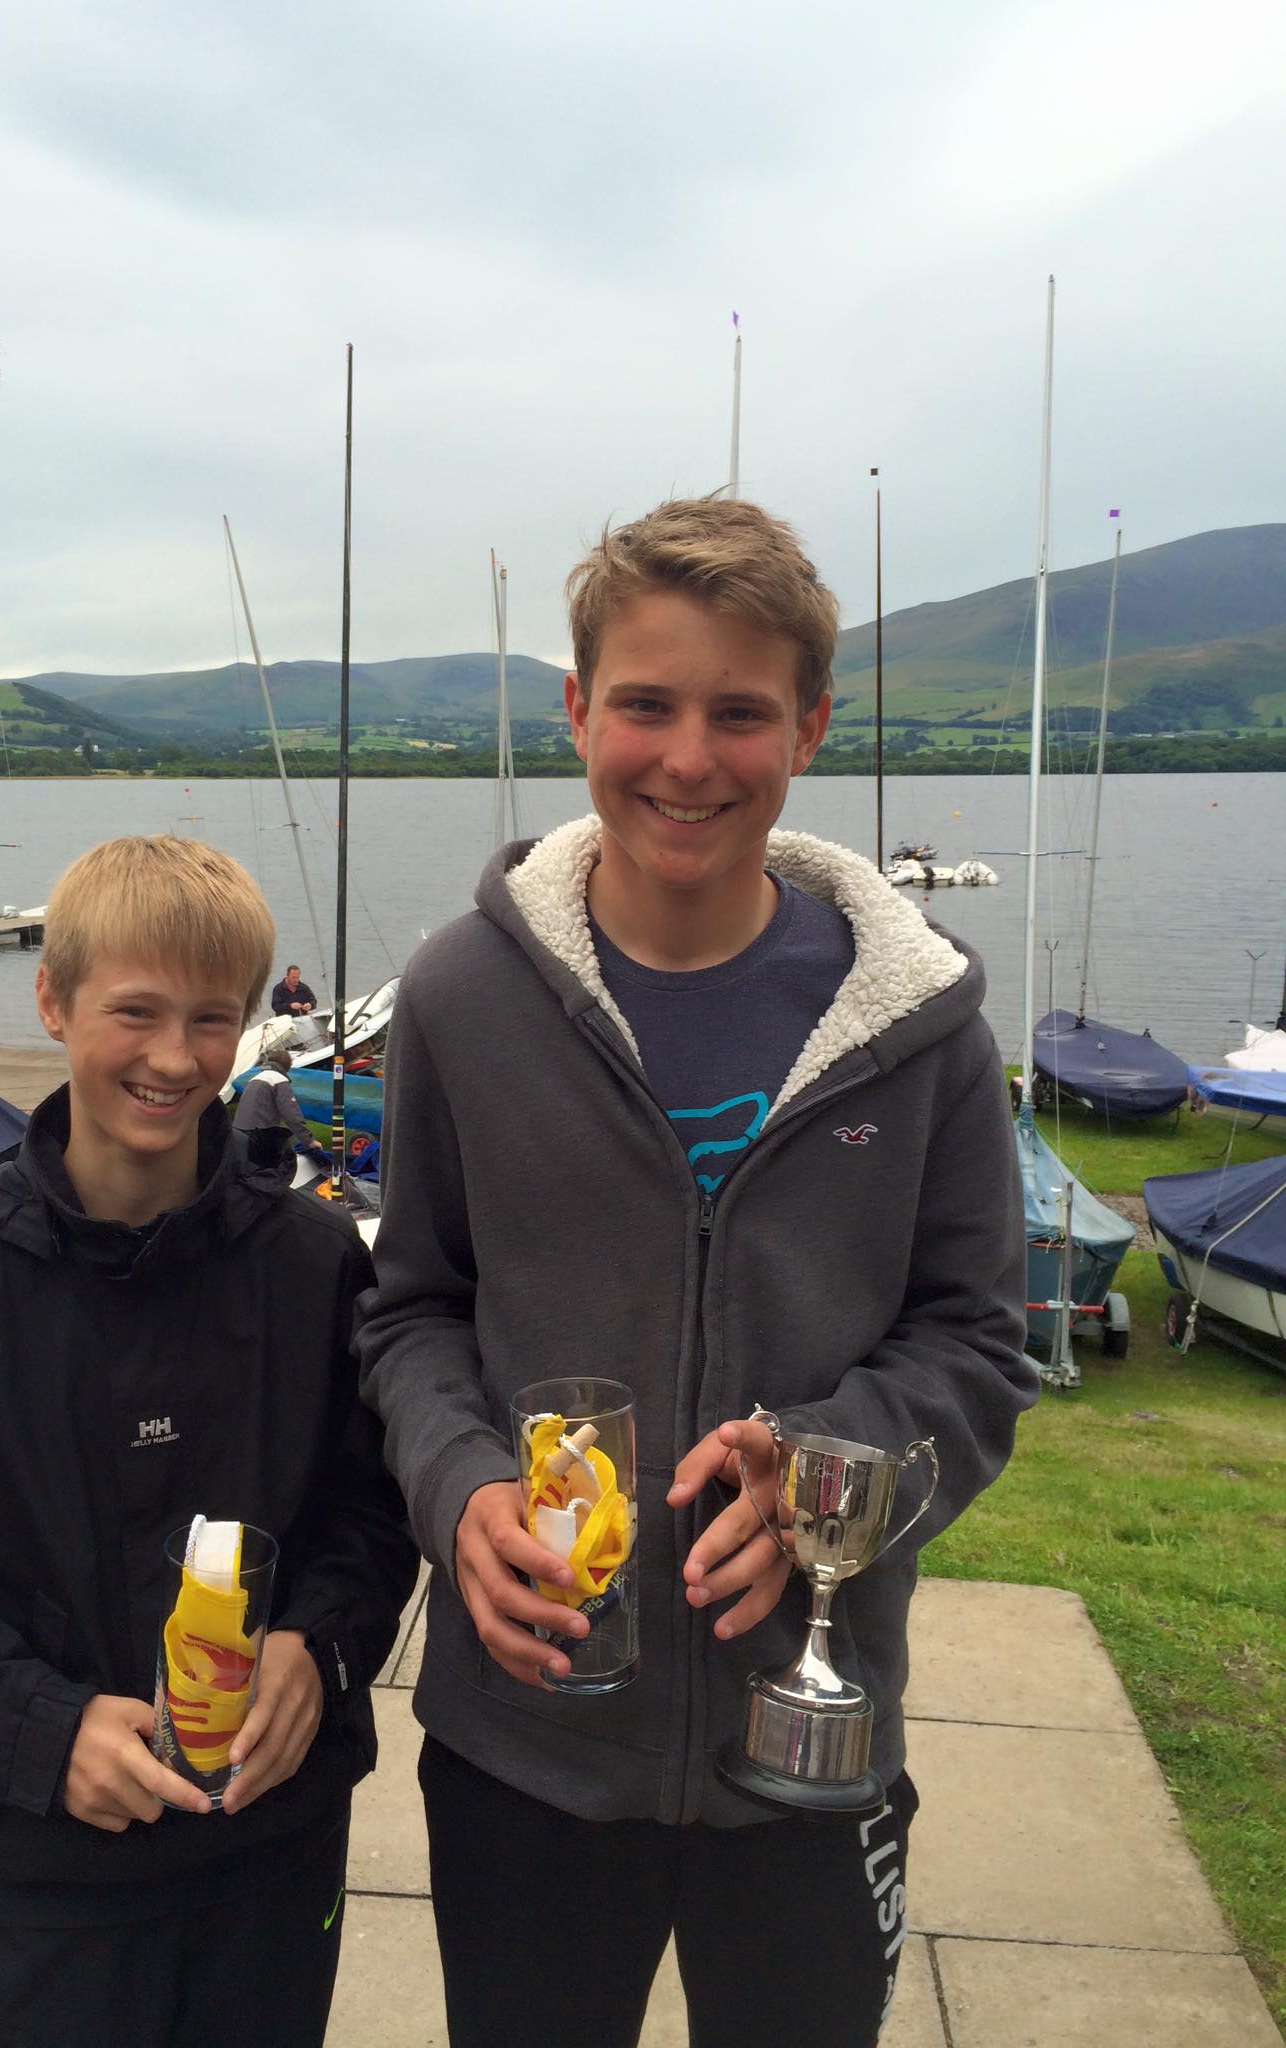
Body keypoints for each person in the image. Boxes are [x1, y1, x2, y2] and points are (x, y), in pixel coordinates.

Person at [357, 497, 1038, 2048]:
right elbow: (410, 1314)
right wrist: (462, 1488)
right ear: (580, 710)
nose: (686, 759)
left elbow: (979, 1346)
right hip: (525, 1741)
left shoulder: (916, 1027)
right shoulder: (464, 996)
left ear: (807, 725)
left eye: (740, 713)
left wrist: (835, 1467)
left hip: (810, 1743)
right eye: (647, 705)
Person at [0, 835, 417, 2048]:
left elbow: (375, 1508)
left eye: (212, 1018)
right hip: (49, 1868)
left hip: (272, 1848)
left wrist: (322, 1645)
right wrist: (40, 1729)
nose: (175, 1056)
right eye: (134, 1012)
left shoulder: (309, 1267)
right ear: (52, 998)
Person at [234, 1045, 332, 1185]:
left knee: (251, 1173)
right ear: (287, 1067)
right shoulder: (279, 1080)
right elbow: (292, 1115)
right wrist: (309, 1141)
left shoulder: (256, 1079)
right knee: (280, 1167)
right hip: (260, 1134)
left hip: (239, 1132)